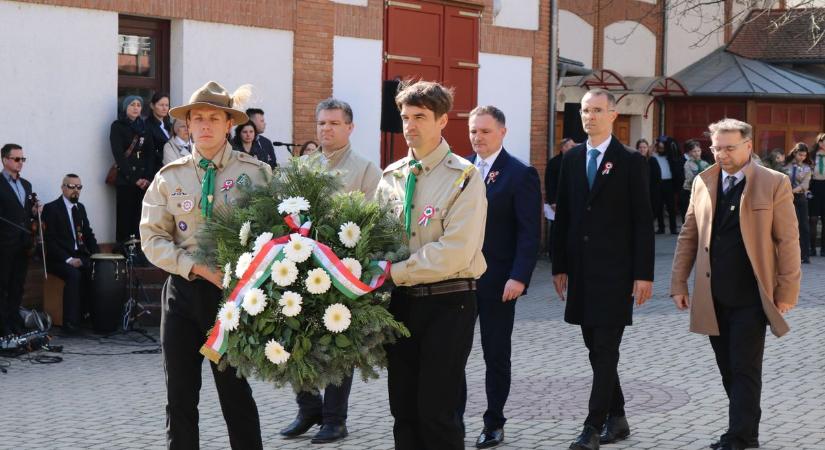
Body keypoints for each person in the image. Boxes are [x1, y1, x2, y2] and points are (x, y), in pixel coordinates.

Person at [140, 81, 271, 450]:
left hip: (231, 299)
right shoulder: (170, 177)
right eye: (198, 118)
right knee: (180, 397)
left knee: (236, 396)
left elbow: (274, 233)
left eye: (215, 118)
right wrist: (195, 267)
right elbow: (153, 239)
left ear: (229, 123)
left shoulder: (257, 174)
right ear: (188, 125)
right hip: (182, 295)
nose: (206, 125)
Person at [671, 118, 800, 450]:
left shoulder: (774, 183)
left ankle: (739, 437)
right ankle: (747, 428)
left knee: (744, 367)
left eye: (729, 148)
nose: (722, 154)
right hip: (712, 295)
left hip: (752, 297)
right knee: (727, 366)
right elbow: (689, 234)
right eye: (717, 148)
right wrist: (678, 283)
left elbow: (788, 241)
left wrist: (787, 291)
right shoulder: (703, 181)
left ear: (748, 147)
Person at [375, 80, 487, 450]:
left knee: (436, 412)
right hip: (402, 305)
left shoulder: (464, 178)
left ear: (442, 121)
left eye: (420, 117)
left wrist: (394, 272)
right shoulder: (390, 178)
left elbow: (454, 251)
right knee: (403, 410)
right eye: (405, 117)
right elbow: (374, 240)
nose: (410, 125)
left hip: (448, 302)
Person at [551, 88, 654, 450]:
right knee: (595, 349)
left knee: (607, 347)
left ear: (613, 114)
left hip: (617, 273)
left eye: (597, 110)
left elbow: (643, 221)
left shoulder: (630, 160)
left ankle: (592, 427)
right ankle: (620, 417)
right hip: (580, 272)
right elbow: (563, 214)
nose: (589, 116)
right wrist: (559, 265)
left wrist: (644, 274)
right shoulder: (572, 158)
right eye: (584, 110)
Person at [279, 98, 382, 444]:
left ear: (350, 128)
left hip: (343, 271)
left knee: (340, 345)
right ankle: (308, 408)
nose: (327, 129)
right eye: (322, 123)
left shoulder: (367, 170)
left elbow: (375, 223)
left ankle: (335, 419)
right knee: (295, 338)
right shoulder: (302, 166)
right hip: (301, 267)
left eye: (335, 123)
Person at [463, 105, 541, 449]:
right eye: (473, 131)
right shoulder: (460, 170)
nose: (478, 137)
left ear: (502, 132)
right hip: (459, 278)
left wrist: (519, 277)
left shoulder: (519, 173)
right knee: (454, 353)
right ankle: (451, 418)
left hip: (498, 282)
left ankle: (494, 422)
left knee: (495, 354)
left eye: (485, 131)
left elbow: (529, 232)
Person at [42, 174, 100, 333]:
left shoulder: (80, 208)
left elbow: (88, 235)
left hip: (79, 255)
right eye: (72, 186)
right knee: (74, 275)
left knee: (97, 271)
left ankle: (91, 318)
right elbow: (50, 241)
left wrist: (98, 256)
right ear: (63, 188)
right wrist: (68, 259)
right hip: (59, 260)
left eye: (79, 187)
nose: (76, 190)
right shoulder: (51, 208)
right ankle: (70, 324)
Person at [0, 143, 39, 336]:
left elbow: (24, 212)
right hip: (4, 245)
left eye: (22, 159)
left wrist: (34, 211)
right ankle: (2, 326)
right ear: (5, 160)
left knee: (17, 285)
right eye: (16, 159)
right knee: (3, 286)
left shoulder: (26, 185)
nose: (20, 163)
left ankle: (15, 321)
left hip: (23, 244)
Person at [110, 95, 154, 246]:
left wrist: (147, 177)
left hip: (143, 180)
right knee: (125, 216)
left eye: (138, 105)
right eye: (132, 105)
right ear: (125, 107)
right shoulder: (117, 126)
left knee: (140, 217)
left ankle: (138, 250)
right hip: (126, 179)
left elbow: (150, 154)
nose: (136, 108)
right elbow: (118, 155)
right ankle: (124, 250)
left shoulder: (144, 126)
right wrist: (134, 178)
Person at [545, 137, 576, 257]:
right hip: (557, 202)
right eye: (571, 146)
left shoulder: (575, 160)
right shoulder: (554, 162)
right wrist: (552, 201)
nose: (574, 148)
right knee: (557, 228)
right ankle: (553, 253)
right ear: (563, 148)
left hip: (571, 201)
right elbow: (550, 182)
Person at [783, 143, 813, 264]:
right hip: (785, 198)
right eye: (800, 154)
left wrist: (793, 191)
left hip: (800, 198)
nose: (802, 157)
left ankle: (805, 255)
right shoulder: (785, 165)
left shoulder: (807, 168)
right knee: (789, 226)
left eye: (804, 155)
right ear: (795, 153)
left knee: (804, 226)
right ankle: (789, 255)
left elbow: (805, 185)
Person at [653, 137, 680, 234]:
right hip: (658, 183)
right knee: (659, 206)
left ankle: (673, 228)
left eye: (663, 147)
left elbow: (674, 146)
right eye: (659, 147)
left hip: (669, 183)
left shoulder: (670, 157)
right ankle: (661, 228)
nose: (661, 149)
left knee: (671, 207)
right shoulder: (654, 156)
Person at [681, 140, 710, 222]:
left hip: (702, 192)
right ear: (689, 153)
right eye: (694, 151)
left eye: (698, 151)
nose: (697, 153)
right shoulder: (688, 164)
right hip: (689, 191)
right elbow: (690, 178)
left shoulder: (704, 163)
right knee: (689, 215)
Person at [637, 138, 661, 231]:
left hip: (651, 192)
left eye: (644, 147)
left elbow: (657, 178)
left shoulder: (652, 161)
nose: (642, 149)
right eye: (640, 147)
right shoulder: (633, 160)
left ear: (648, 148)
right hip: (638, 192)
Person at [147, 92, 172, 173]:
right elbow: (149, 154)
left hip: (172, 169)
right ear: (152, 106)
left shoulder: (170, 126)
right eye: (161, 105)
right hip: (157, 171)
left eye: (166, 105)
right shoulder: (147, 125)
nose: (164, 108)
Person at [810, 133, 825, 256]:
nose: (824, 144)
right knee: (813, 219)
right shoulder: (812, 155)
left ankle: (824, 249)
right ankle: (812, 248)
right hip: (814, 186)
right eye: (822, 141)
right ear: (818, 143)